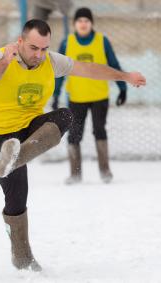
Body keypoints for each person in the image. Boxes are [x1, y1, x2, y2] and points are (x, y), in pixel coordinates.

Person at [0, 19, 145, 271]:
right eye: (33, 48)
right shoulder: (2, 57)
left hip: (26, 132)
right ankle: (22, 256)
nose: (39, 55)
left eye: (44, 48)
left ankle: (16, 159)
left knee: (65, 116)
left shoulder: (50, 61)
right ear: (20, 42)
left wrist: (124, 76)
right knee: (16, 198)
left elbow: (87, 68)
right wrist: (4, 62)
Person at [52, 7, 127, 184]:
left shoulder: (102, 41)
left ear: (91, 23)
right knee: (74, 135)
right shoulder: (67, 43)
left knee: (99, 130)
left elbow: (113, 64)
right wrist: (55, 95)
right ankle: (75, 174)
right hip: (76, 98)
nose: (83, 24)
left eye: (86, 21)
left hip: (99, 96)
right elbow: (58, 72)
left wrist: (122, 87)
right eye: (80, 21)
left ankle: (105, 171)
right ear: (74, 24)